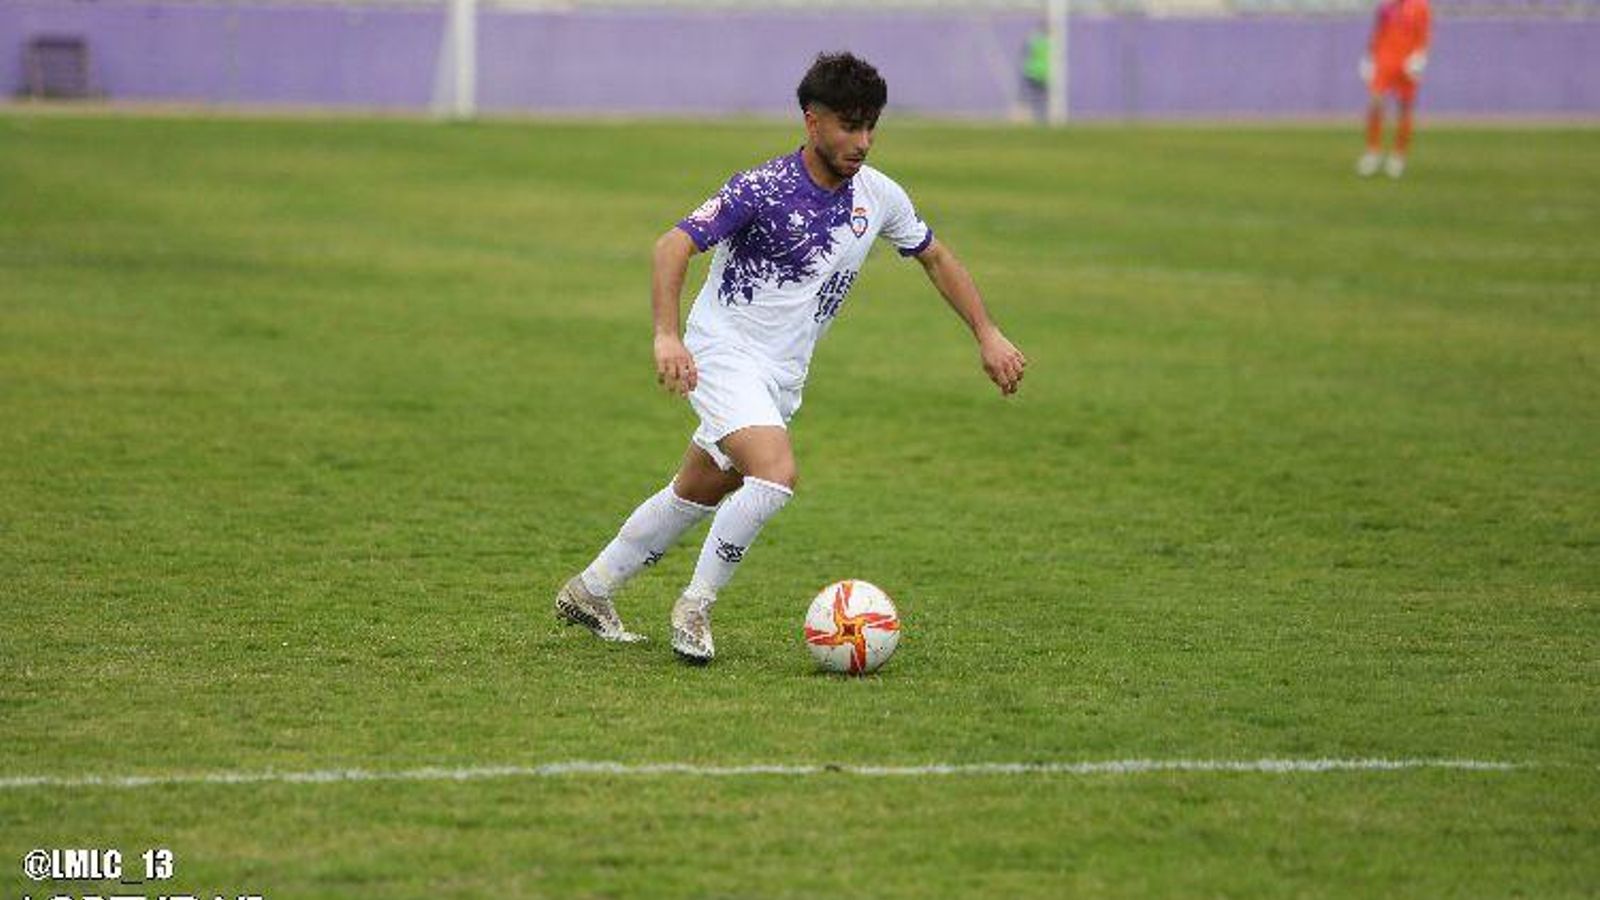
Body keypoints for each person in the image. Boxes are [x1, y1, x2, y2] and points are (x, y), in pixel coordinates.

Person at [553, 52, 1028, 664]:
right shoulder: (761, 188)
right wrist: (667, 337)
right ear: (812, 121)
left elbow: (935, 256)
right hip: (721, 351)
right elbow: (671, 246)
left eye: (871, 127)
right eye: (848, 126)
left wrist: (987, 334)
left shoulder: (879, 197)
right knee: (774, 473)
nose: (862, 142)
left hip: (780, 375)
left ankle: (590, 591)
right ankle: (695, 607)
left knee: (699, 487)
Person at [1357, 0, 1431, 179]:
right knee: (1375, 102)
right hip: (1384, 59)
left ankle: (1398, 155)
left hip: (1406, 63)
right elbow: (1378, 31)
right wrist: (1369, 56)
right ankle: (1373, 152)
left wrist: (1420, 56)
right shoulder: (1385, 5)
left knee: (1404, 107)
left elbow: (1424, 34)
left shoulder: (1421, 6)